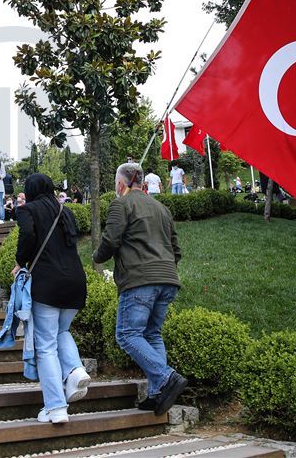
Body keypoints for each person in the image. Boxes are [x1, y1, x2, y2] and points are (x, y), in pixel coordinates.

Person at [94, 162, 186, 416]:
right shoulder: (162, 207)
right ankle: (157, 394)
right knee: (152, 334)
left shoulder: (121, 204)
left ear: (120, 183)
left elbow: (110, 240)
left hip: (139, 280)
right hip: (168, 278)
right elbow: (176, 249)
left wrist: (97, 257)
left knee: (127, 334)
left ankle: (166, 377)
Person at [12, 173, 89, 424]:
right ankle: (75, 370)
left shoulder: (27, 210)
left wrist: (20, 262)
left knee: (45, 345)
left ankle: (56, 407)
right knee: (61, 331)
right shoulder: (66, 211)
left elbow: (27, 235)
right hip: (76, 281)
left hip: (47, 283)